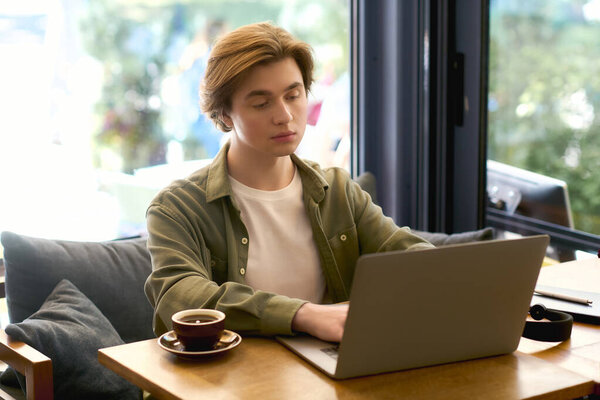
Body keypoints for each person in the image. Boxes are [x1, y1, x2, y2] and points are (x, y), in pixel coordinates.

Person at [144, 22, 433, 343]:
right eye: (261, 103)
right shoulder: (176, 207)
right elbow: (180, 297)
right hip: (226, 381)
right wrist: (304, 314)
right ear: (225, 114)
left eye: (293, 95)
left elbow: (406, 254)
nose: (284, 115)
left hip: (322, 375)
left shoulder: (337, 189)